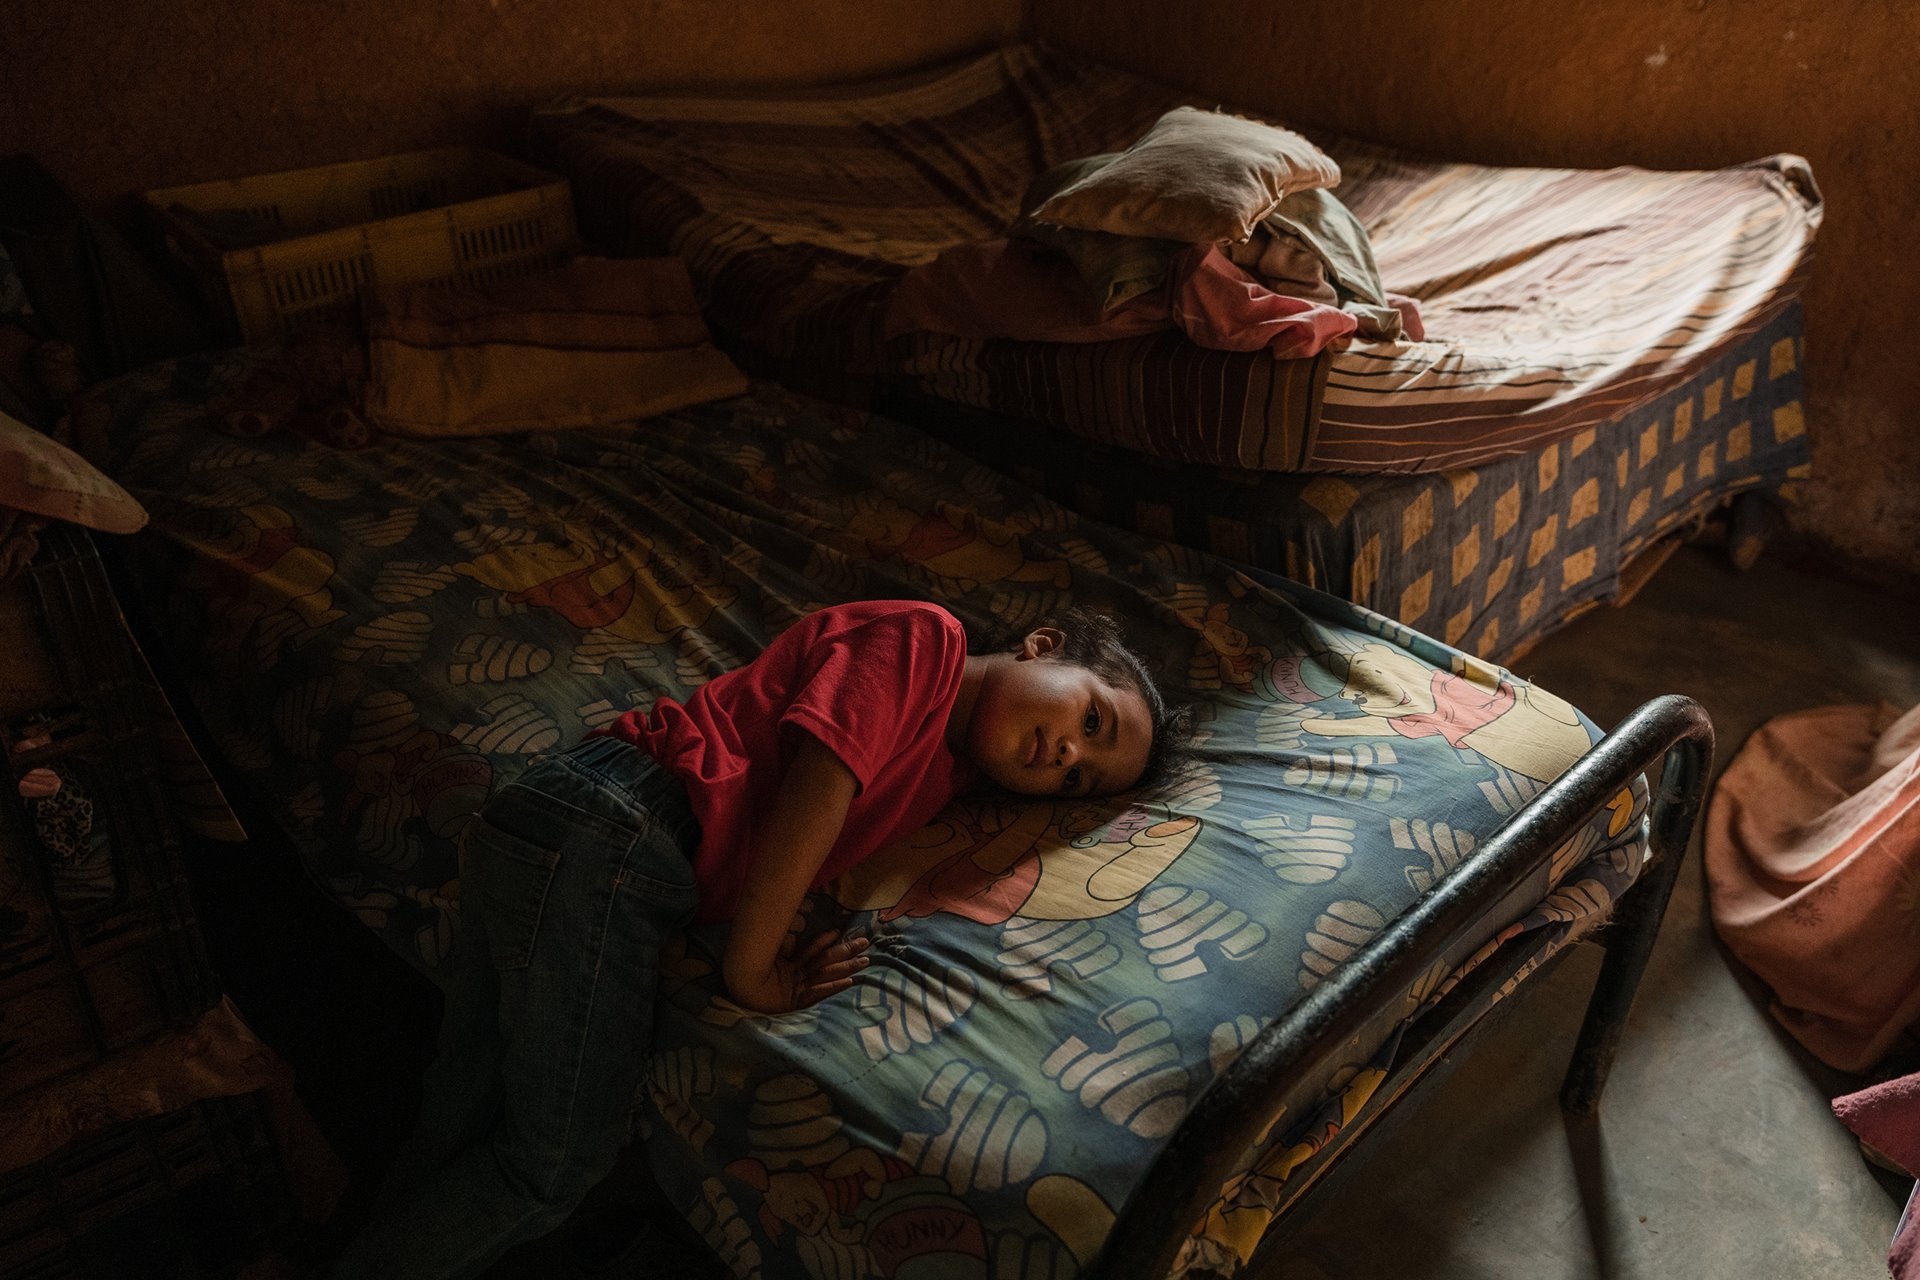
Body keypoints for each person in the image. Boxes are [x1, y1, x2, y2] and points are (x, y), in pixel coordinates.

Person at [325, 598, 1186, 1279]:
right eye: (1093, 719)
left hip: (575, 828)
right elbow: (820, 785)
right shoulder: (926, 639)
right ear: (1043, 644)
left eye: (1078, 776)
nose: (1064, 753)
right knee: (554, 1165)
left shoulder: (953, 768)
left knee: (467, 1091)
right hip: (619, 828)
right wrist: (753, 968)